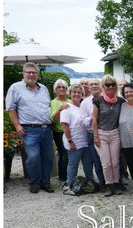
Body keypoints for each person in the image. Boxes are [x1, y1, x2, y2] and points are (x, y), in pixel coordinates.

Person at [6, 63, 55, 194]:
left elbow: (48, 106)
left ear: (37, 74)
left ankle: (45, 182)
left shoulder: (43, 88)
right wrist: (17, 126)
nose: (31, 74)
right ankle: (34, 182)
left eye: (34, 72)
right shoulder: (15, 88)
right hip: (29, 130)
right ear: (23, 73)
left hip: (46, 129)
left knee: (48, 157)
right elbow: (11, 108)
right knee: (33, 157)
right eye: (28, 72)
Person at [92, 74, 125, 197]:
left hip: (115, 133)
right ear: (103, 86)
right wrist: (96, 136)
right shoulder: (98, 101)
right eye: (107, 85)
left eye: (112, 84)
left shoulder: (121, 101)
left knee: (115, 162)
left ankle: (116, 183)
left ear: (115, 86)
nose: (110, 87)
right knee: (106, 163)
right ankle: (108, 185)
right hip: (101, 134)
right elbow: (94, 119)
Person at [61, 84, 94, 191]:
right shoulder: (67, 107)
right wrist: (71, 141)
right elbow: (65, 126)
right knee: (73, 164)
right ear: (70, 93)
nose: (76, 94)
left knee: (88, 164)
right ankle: (70, 184)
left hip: (85, 140)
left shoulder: (83, 106)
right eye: (74, 92)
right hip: (74, 141)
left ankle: (91, 183)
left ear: (82, 94)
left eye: (79, 92)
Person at [80, 78, 106, 191]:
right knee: (97, 161)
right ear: (88, 88)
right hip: (92, 134)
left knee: (111, 161)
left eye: (96, 84)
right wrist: (93, 117)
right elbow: (83, 121)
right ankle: (103, 184)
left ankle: (114, 182)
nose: (94, 86)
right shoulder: (85, 102)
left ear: (100, 86)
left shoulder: (106, 98)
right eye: (92, 85)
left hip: (106, 132)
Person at [50, 79, 70, 187]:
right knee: (64, 155)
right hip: (59, 133)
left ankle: (70, 176)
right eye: (59, 87)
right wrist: (60, 110)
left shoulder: (71, 101)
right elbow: (54, 119)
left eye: (64, 87)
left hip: (71, 132)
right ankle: (62, 178)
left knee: (71, 155)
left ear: (67, 89)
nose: (62, 89)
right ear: (56, 90)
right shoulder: (53, 102)